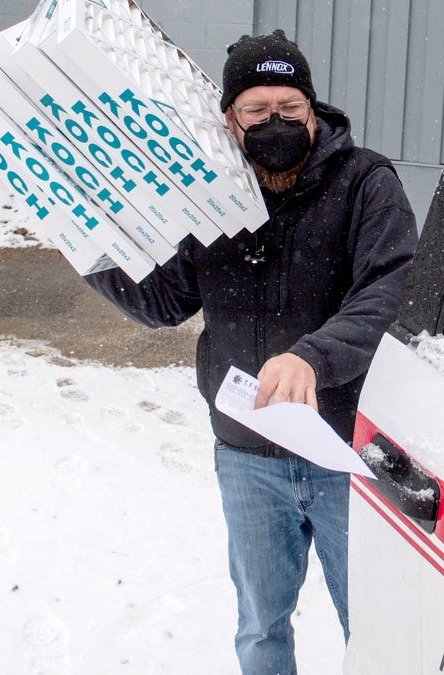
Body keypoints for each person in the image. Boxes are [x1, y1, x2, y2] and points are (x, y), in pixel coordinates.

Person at [83, 30, 418, 674]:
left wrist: (312, 359)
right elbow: (165, 301)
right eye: (256, 109)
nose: (275, 121)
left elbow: (389, 295)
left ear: (313, 109)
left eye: (289, 106)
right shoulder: (210, 193)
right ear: (230, 121)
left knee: (373, 627)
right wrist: (91, 246)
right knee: (261, 628)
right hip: (246, 454)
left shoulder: (365, 183)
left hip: (343, 452)